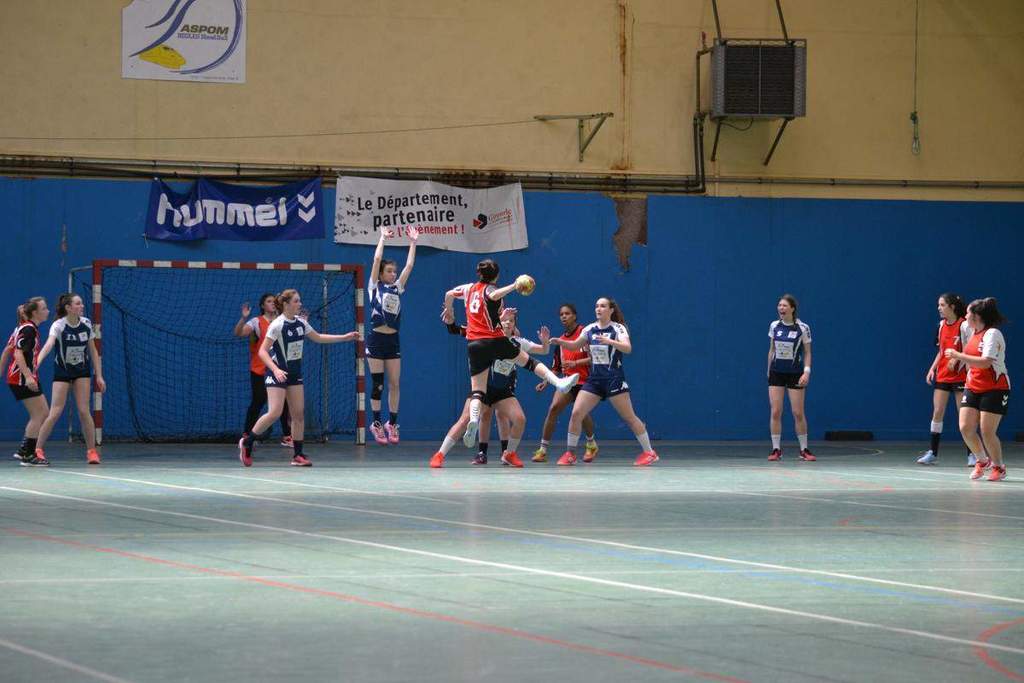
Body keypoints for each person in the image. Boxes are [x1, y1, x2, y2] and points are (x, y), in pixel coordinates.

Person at [441, 259, 578, 461]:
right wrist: (515, 285)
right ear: (496, 276)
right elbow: (493, 295)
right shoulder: (490, 290)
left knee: (477, 391)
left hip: (474, 343)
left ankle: (476, 422)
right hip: (493, 339)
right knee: (529, 362)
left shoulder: (468, 289)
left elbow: (449, 294)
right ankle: (559, 382)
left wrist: (450, 312)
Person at [237, 289, 360, 467]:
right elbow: (262, 351)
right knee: (275, 412)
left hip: (294, 374)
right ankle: (247, 442)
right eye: (296, 301)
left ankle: (297, 454)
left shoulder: (301, 323)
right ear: (286, 304)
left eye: (299, 300)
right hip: (276, 373)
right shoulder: (277, 325)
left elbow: (318, 337)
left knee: (298, 415)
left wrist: (345, 337)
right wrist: (276, 370)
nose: (300, 304)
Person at [430, 312, 550, 468]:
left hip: (502, 392)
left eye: (511, 321)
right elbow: (456, 330)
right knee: (465, 419)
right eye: (504, 320)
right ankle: (439, 454)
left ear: (515, 325)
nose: (508, 323)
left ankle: (509, 454)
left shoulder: (518, 343)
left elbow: (543, 350)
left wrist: (545, 343)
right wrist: (450, 322)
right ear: (497, 322)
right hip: (482, 389)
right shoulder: (485, 337)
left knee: (520, 419)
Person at [549, 297, 657, 466]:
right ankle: (570, 453)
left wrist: (610, 341)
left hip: (613, 379)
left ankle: (649, 452)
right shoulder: (590, 329)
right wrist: (560, 341)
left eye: (603, 306)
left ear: (611, 310)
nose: (598, 309)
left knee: (629, 417)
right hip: (594, 380)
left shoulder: (618, 328)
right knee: (576, 413)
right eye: (597, 306)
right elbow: (575, 345)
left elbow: (628, 348)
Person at [33, 293, 106, 464]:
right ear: (68, 308)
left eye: (81, 303)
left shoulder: (86, 324)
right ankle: (37, 449)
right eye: (78, 304)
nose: (82, 306)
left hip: (82, 372)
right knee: (55, 411)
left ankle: (92, 451)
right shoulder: (58, 325)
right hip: (63, 372)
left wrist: (99, 375)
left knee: (84, 411)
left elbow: (93, 351)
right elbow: (49, 345)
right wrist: (36, 362)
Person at [944, 298, 1010, 481]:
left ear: (977, 316)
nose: (965, 316)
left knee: (987, 431)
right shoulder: (969, 329)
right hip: (973, 385)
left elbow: (986, 362)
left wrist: (958, 355)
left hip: (995, 387)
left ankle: (999, 467)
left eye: (968, 313)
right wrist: (957, 359)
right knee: (965, 427)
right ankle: (982, 460)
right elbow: (968, 349)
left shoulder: (992, 334)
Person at [366, 227, 419, 445]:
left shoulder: (397, 288)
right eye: (389, 271)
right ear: (380, 274)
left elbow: (409, 265)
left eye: (394, 272)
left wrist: (413, 242)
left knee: (395, 383)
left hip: (392, 340)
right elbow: (377, 258)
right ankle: (377, 423)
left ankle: (392, 423)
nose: (393, 274)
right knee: (378, 384)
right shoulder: (373, 287)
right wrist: (382, 238)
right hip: (376, 340)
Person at [532, 303, 598, 463]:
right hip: (567, 382)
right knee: (553, 409)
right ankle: (542, 450)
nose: (564, 316)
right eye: (561, 314)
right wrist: (545, 381)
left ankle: (591, 445)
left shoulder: (585, 334)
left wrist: (576, 363)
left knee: (580, 413)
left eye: (567, 313)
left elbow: (595, 358)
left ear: (574, 316)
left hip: (585, 382)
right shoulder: (561, 341)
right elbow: (556, 368)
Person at [918, 293, 974, 465]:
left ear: (952, 307)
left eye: (942, 305)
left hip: (960, 376)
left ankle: (972, 454)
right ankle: (932, 452)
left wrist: (956, 358)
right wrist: (932, 368)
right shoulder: (941, 326)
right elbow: (941, 351)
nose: (939, 308)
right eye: (938, 305)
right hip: (943, 375)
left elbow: (970, 348)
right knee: (937, 412)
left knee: (963, 416)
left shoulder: (964, 325)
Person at [234, 293, 292, 447]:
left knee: (284, 403)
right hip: (260, 368)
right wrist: (243, 318)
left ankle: (287, 436)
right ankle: (247, 434)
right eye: (269, 301)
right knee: (258, 401)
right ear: (262, 306)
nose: (272, 303)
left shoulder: (282, 320)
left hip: (278, 368)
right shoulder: (256, 322)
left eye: (274, 301)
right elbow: (239, 333)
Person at [766, 294, 816, 462]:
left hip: (795, 373)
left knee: (798, 412)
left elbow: (807, 352)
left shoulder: (803, 328)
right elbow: (771, 349)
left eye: (784, 305)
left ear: (792, 308)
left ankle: (804, 449)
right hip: (776, 372)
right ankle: (776, 449)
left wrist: (806, 372)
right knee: (776, 411)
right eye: (779, 305)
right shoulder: (774, 325)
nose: (781, 308)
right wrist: (768, 370)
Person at [7, 298, 50, 466]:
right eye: (44, 308)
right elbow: (18, 354)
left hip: (24, 377)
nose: (47, 311)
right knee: (39, 414)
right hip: (21, 378)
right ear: (35, 313)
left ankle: (25, 450)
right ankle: (28, 454)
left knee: (42, 412)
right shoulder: (29, 330)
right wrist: (28, 377)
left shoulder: (29, 328)